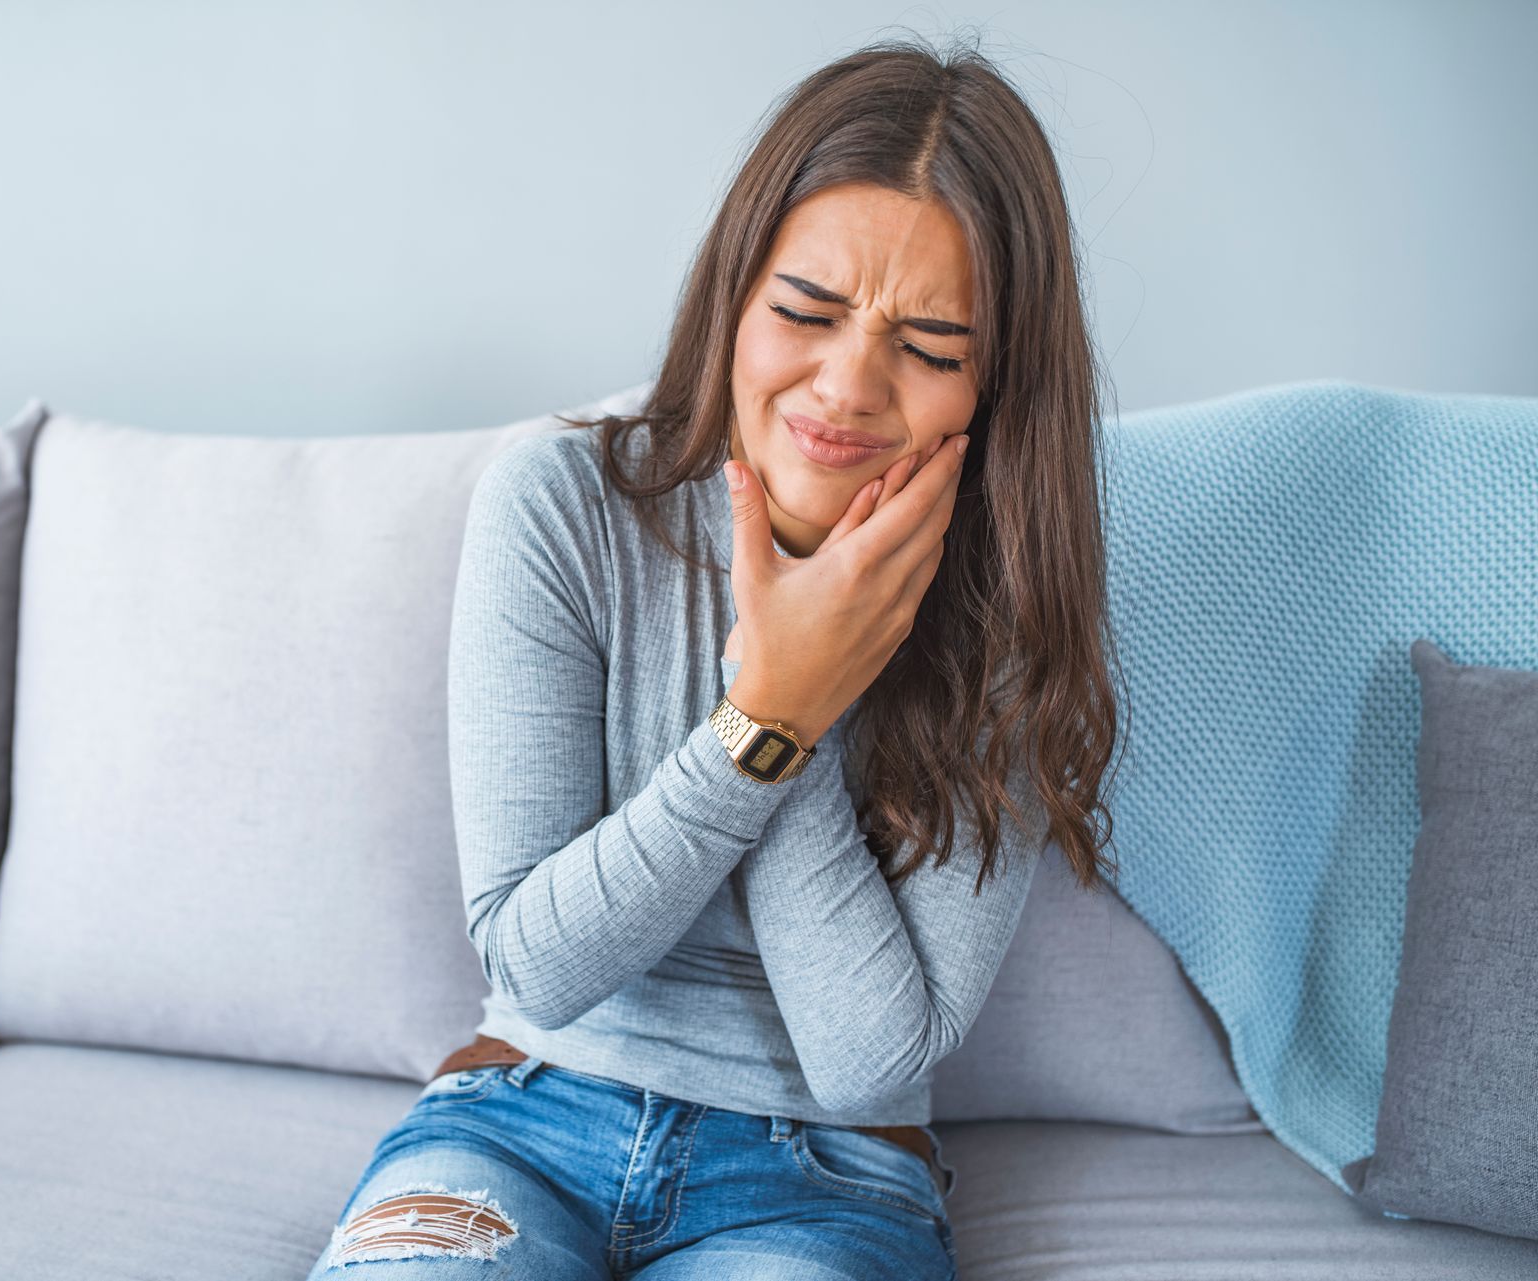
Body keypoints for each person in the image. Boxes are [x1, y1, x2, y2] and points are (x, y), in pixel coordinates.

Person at [305, 30, 1121, 1281]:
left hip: (829, 1179)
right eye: (806, 311)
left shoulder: (1008, 601)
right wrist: (767, 713)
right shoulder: (560, 503)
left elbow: (874, 1062)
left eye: (929, 347)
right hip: (520, 1119)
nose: (847, 385)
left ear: (994, 387)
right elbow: (535, 960)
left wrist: (807, 676)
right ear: (734, 298)